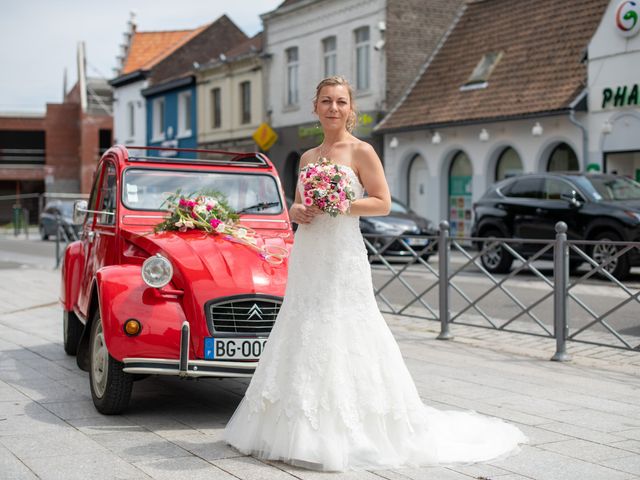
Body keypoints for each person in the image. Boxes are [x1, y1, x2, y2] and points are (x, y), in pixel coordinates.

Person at [224, 75, 527, 471]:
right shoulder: (307, 158)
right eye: (327, 101)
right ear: (315, 107)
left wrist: (343, 203)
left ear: (351, 109)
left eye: (341, 102)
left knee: (346, 324)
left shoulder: (362, 151)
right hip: (311, 251)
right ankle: (288, 428)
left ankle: (346, 432)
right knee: (303, 323)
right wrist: (296, 211)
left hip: (343, 253)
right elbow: (299, 205)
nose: (334, 108)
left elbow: (382, 203)